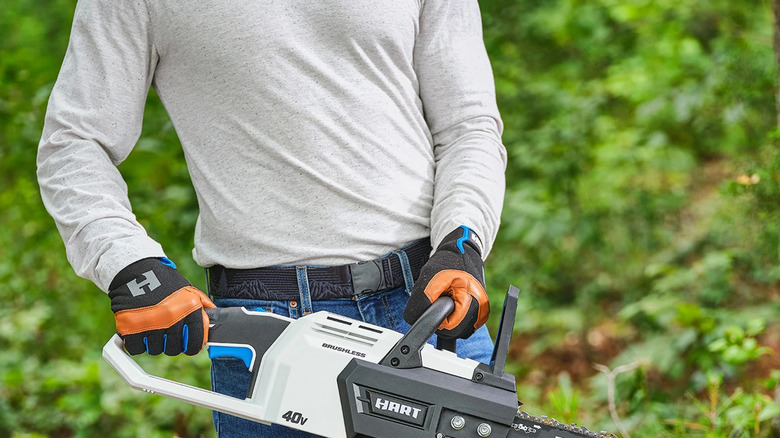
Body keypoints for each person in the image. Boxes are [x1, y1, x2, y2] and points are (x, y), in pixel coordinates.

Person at [37, 0, 507, 436]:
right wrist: (130, 266)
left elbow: (468, 126)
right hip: (266, 331)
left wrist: (461, 241)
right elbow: (74, 142)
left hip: (427, 308)